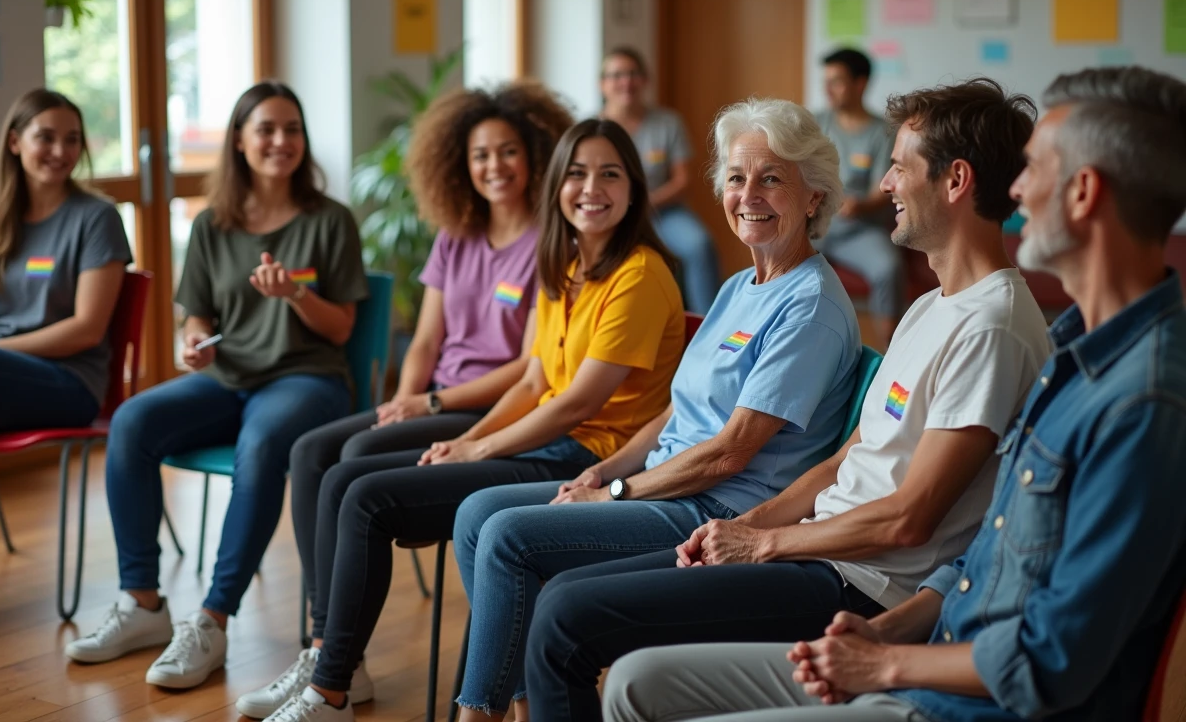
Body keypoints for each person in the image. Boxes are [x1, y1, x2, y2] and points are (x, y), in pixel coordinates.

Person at [602, 67, 1186, 722]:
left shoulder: (1140, 401)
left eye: (1036, 168)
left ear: (1083, 192)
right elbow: (981, 556)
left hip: (949, 699)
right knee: (634, 682)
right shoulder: (1075, 357)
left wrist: (884, 660)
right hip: (918, 642)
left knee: (601, 638)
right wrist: (890, 631)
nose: (1016, 188)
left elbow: (1048, 655)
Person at [523, 78, 1055, 722]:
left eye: (897, 167)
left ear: (956, 180)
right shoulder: (928, 307)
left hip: (862, 586)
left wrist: (766, 546)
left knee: (567, 620)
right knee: (566, 596)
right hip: (815, 550)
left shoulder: (992, 327)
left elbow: (908, 520)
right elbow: (844, 463)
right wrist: (754, 526)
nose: (884, 184)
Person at [258, 118, 684, 722]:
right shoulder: (563, 265)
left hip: (585, 458)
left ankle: (330, 690)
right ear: (557, 187)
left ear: (634, 188)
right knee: (340, 479)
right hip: (549, 438)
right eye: (577, 174)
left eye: (609, 174)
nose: (591, 188)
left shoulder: (638, 274)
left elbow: (576, 404)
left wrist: (475, 451)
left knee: (367, 499)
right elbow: (536, 380)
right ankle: (336, 670)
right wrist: (466, 438)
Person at [451, 98, 862, 722]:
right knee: (478, 514)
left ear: (814, 196)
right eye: (736, 177)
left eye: (771, 178)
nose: (748, 194)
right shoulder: (739, 285)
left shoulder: (809, 306)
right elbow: (678, 411)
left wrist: (616, 492)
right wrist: (603, 472)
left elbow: (731, 451)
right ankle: (529, 700)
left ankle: (479, 714)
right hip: (667, 486)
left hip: (718, 508)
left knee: (508, 537)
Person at [234, 83, 573, 719]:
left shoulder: (549, 243)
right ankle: (327, 646)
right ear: (458, 163)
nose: (493, 167)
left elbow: (528, 369)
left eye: (507, 152)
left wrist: (433, 401)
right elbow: (424, 340)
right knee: (312, 450)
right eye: (479, 155)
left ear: (533, 155)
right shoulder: (456, 234)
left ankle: (337, 659)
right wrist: (409, 395)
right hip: (436, 397)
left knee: (358, 453)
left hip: (492, 410)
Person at [64, 81, 369, 691]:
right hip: (229, 379)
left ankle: (211, 619)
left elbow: (340, 329)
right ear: (239, 140)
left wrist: (296, 293)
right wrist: (192, 339)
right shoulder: (212, 224)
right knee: (131, 422)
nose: (281, 142)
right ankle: (144, 603)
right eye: (266, 130)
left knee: (260, 448)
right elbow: (197, 314)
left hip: (309, 379)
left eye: (292, 130)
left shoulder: (329, 220)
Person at [0, 89, 131, 431]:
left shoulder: (98, 217)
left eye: (71, 140)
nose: (60, 151)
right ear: (15, 142)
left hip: (69, 381)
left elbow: (87, 330)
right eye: (45, 138)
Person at [600, 45, 720, 313]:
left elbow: (683, 181)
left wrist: (644, 203)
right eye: (617, 75)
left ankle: (708, 324)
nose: (626, 82)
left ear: (645, 80)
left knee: (699, 244)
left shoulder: (668, 122)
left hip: (663, 212)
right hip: (609, 215)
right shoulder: (592, 128)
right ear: (603, 84)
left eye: (633, 73)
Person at [814, 48, 904, 347]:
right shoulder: (815, 124)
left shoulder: (883, 132)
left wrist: (859, 205)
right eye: (826, 81)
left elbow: (882, 189)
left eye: (837, 81)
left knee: (888, 267)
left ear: (860, 83)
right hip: (817, 224)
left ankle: (889, 346)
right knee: (786, 257)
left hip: (861, 229)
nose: (828, 89)